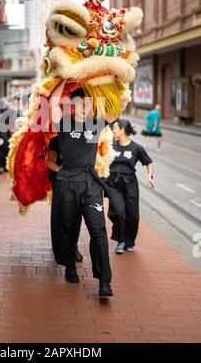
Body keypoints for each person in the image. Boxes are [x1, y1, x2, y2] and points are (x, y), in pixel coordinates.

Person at [50, 80, 114, 298]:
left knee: (98, 231)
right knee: (67, 228)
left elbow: (117, 107)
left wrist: (108, 82)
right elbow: (53, 103)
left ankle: (104, 281)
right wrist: (64, 77)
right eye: (80, 102)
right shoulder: (64, 123)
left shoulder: (96, 124)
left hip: (90, 184)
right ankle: (69, 266)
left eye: (88, 102)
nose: (84, 106)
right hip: (67, 183)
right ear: (73, 104)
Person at [104, 119, 154, 254]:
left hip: (130, 183)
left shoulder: (137, 148)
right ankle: (121, 240)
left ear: (122, 130)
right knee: (119, 212)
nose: (112, 130)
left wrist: (149, 176)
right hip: (113, 183)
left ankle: (129, 241)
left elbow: (149, 162)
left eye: (115, 128)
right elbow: (102, 161)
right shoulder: (110, 146)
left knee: (133, 215)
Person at [48, 135, 83, 263]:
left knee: (76, 215)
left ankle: (74, 246)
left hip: (79, 183)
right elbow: (50, 161)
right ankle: (58, 246)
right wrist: (59, 170)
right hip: (61, 182)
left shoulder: (83, 137)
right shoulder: (56, 140)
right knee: (59, 215)